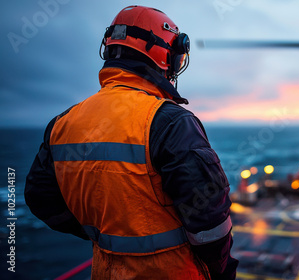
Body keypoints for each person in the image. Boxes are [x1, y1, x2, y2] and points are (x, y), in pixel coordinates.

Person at [24, 5, 238, 279]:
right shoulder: (171, 122)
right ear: (165, 57)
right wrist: (223, 273)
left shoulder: (62, 123)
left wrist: (102, 233)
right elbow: (210, 223)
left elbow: (40, 198)